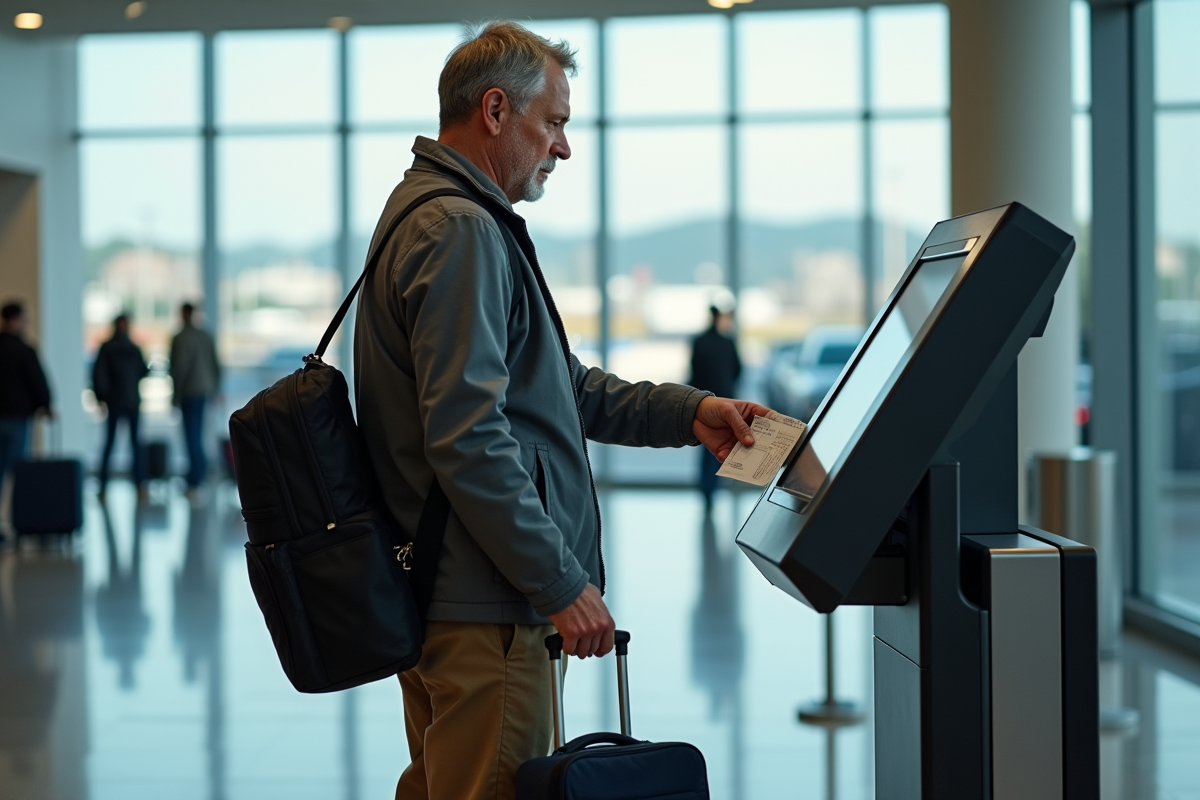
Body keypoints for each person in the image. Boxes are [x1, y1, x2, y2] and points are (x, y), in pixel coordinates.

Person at [353, 22, 774, 800]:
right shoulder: (459, 230)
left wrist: (692, 412)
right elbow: (469, 437)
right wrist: (558, 581)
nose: (563, 148)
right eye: (554, 123)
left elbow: (561, 390)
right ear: (495, 111)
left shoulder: (435, 213)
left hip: (457, 592)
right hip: (488, 606)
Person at [0, 301, 52, 534]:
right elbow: (38, 383)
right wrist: (46, 405)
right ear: (15, 320)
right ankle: (17, 523)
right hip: (17, 418)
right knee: (18, 470)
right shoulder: (24, 350)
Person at [689, 305, 743, 505]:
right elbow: (738, 369)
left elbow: (694, 372)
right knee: (720, 446)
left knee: (706, 446)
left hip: (703, 401)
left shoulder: (699, 342)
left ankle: (706, 492)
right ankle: (713, 489)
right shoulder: (727, 342)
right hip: (724, 400)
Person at [93, 314, 148, 502]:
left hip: (121, 401)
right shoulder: (130, 348)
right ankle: (133, 486)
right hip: (125, 401)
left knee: (122, 444)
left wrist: (101, 396)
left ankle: (133, 486)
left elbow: (99, 374)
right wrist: (101, 397)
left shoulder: (112, 348)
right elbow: (143, 371)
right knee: (121, 444)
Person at [169, 302, 221, 492]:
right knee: (198, 433)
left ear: (183, 314)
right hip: (204, 389)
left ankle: (195, 478)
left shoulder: (180, 338)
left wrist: (176, 395)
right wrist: (216, 389)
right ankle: (199, 473)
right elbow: (216, 364)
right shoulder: (205, 335)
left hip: (189, 391)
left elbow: (179, 368)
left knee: (191, 435)